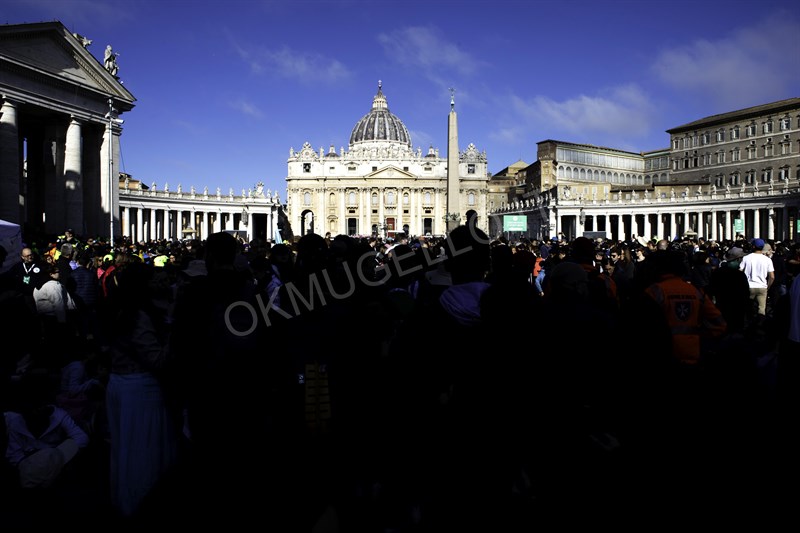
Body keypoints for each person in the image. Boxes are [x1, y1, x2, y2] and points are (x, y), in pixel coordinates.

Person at [739, 238, 774, 326]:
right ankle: (760, 326)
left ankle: (748, 325)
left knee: (748, 307)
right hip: (762, 286)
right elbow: (772, 276)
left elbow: (740, 272)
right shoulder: (767, 260)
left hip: (749, 286)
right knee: (761, 309)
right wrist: (768, 286)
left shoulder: (746, 258)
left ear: (753, 246)